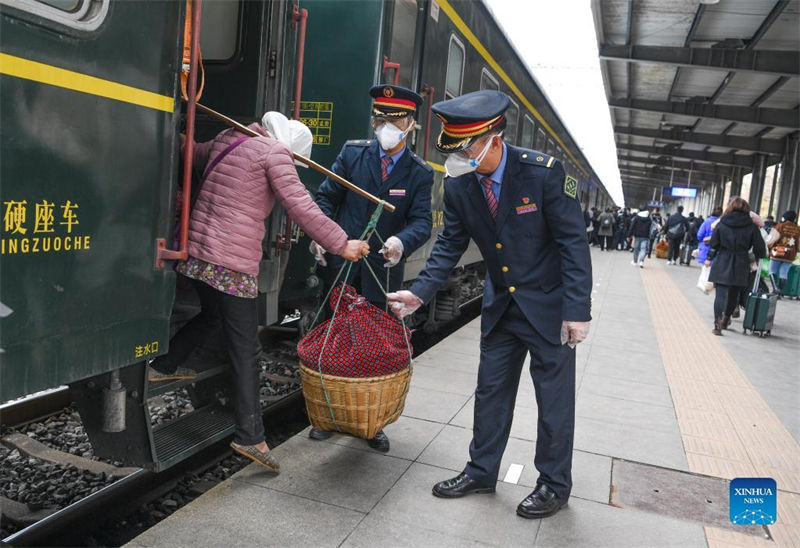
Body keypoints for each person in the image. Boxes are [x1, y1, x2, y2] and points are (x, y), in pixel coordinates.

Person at [386, 90, 592, 520]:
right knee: (490, 394)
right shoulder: (461, 184)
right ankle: (481, 472)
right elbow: (449, 245)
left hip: (550, 309)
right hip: (501, 308)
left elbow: (573, 244)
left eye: (467, 148)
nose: (459, 157)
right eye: (455, 149)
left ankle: (554, 485)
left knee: (553, 402)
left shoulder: (544, 175)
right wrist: (419, 292)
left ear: (494, 138)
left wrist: (578, 310)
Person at [148, 113, 369, 471]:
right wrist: (341, 244)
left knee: (213, 315)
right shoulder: (274, 153)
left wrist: (170, 121)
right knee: (246, 350)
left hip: (200, 252)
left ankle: (166, 364)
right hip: (230, 262)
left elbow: (192, 152)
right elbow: (301, 206)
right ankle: (251, 436)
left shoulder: (229, 138)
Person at [309, 85, 434, 453]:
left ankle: (372, 422)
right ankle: (329, 415)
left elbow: (422, 221)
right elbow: (327, 198)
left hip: (383, 271)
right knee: (333, 335)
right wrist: (321, 235)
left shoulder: (418, 173)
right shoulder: (353, 154)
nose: (387, 126)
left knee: (374, 344)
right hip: (341, 265)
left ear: (411, 124)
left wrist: (401, 242)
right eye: (381, 118)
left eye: (396, 119)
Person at [705, 197, 766, 336]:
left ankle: (717, 326)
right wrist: (756, 259)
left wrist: (709, 258)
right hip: (741, 262)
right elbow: (760, 248)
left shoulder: (722, 223)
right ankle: (726, 319)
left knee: (720, 295)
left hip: (723, 260)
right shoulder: (751, 226)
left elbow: (714, 243)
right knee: (734, 295)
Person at [766, 210, 799, 298]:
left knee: (772, 270)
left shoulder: (780, 226)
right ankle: (779, 293)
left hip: (777, 252)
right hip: (790, 254)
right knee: (784, 273)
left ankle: (775, 289)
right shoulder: (797, 229)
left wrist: (768, 245)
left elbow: (773, 239)